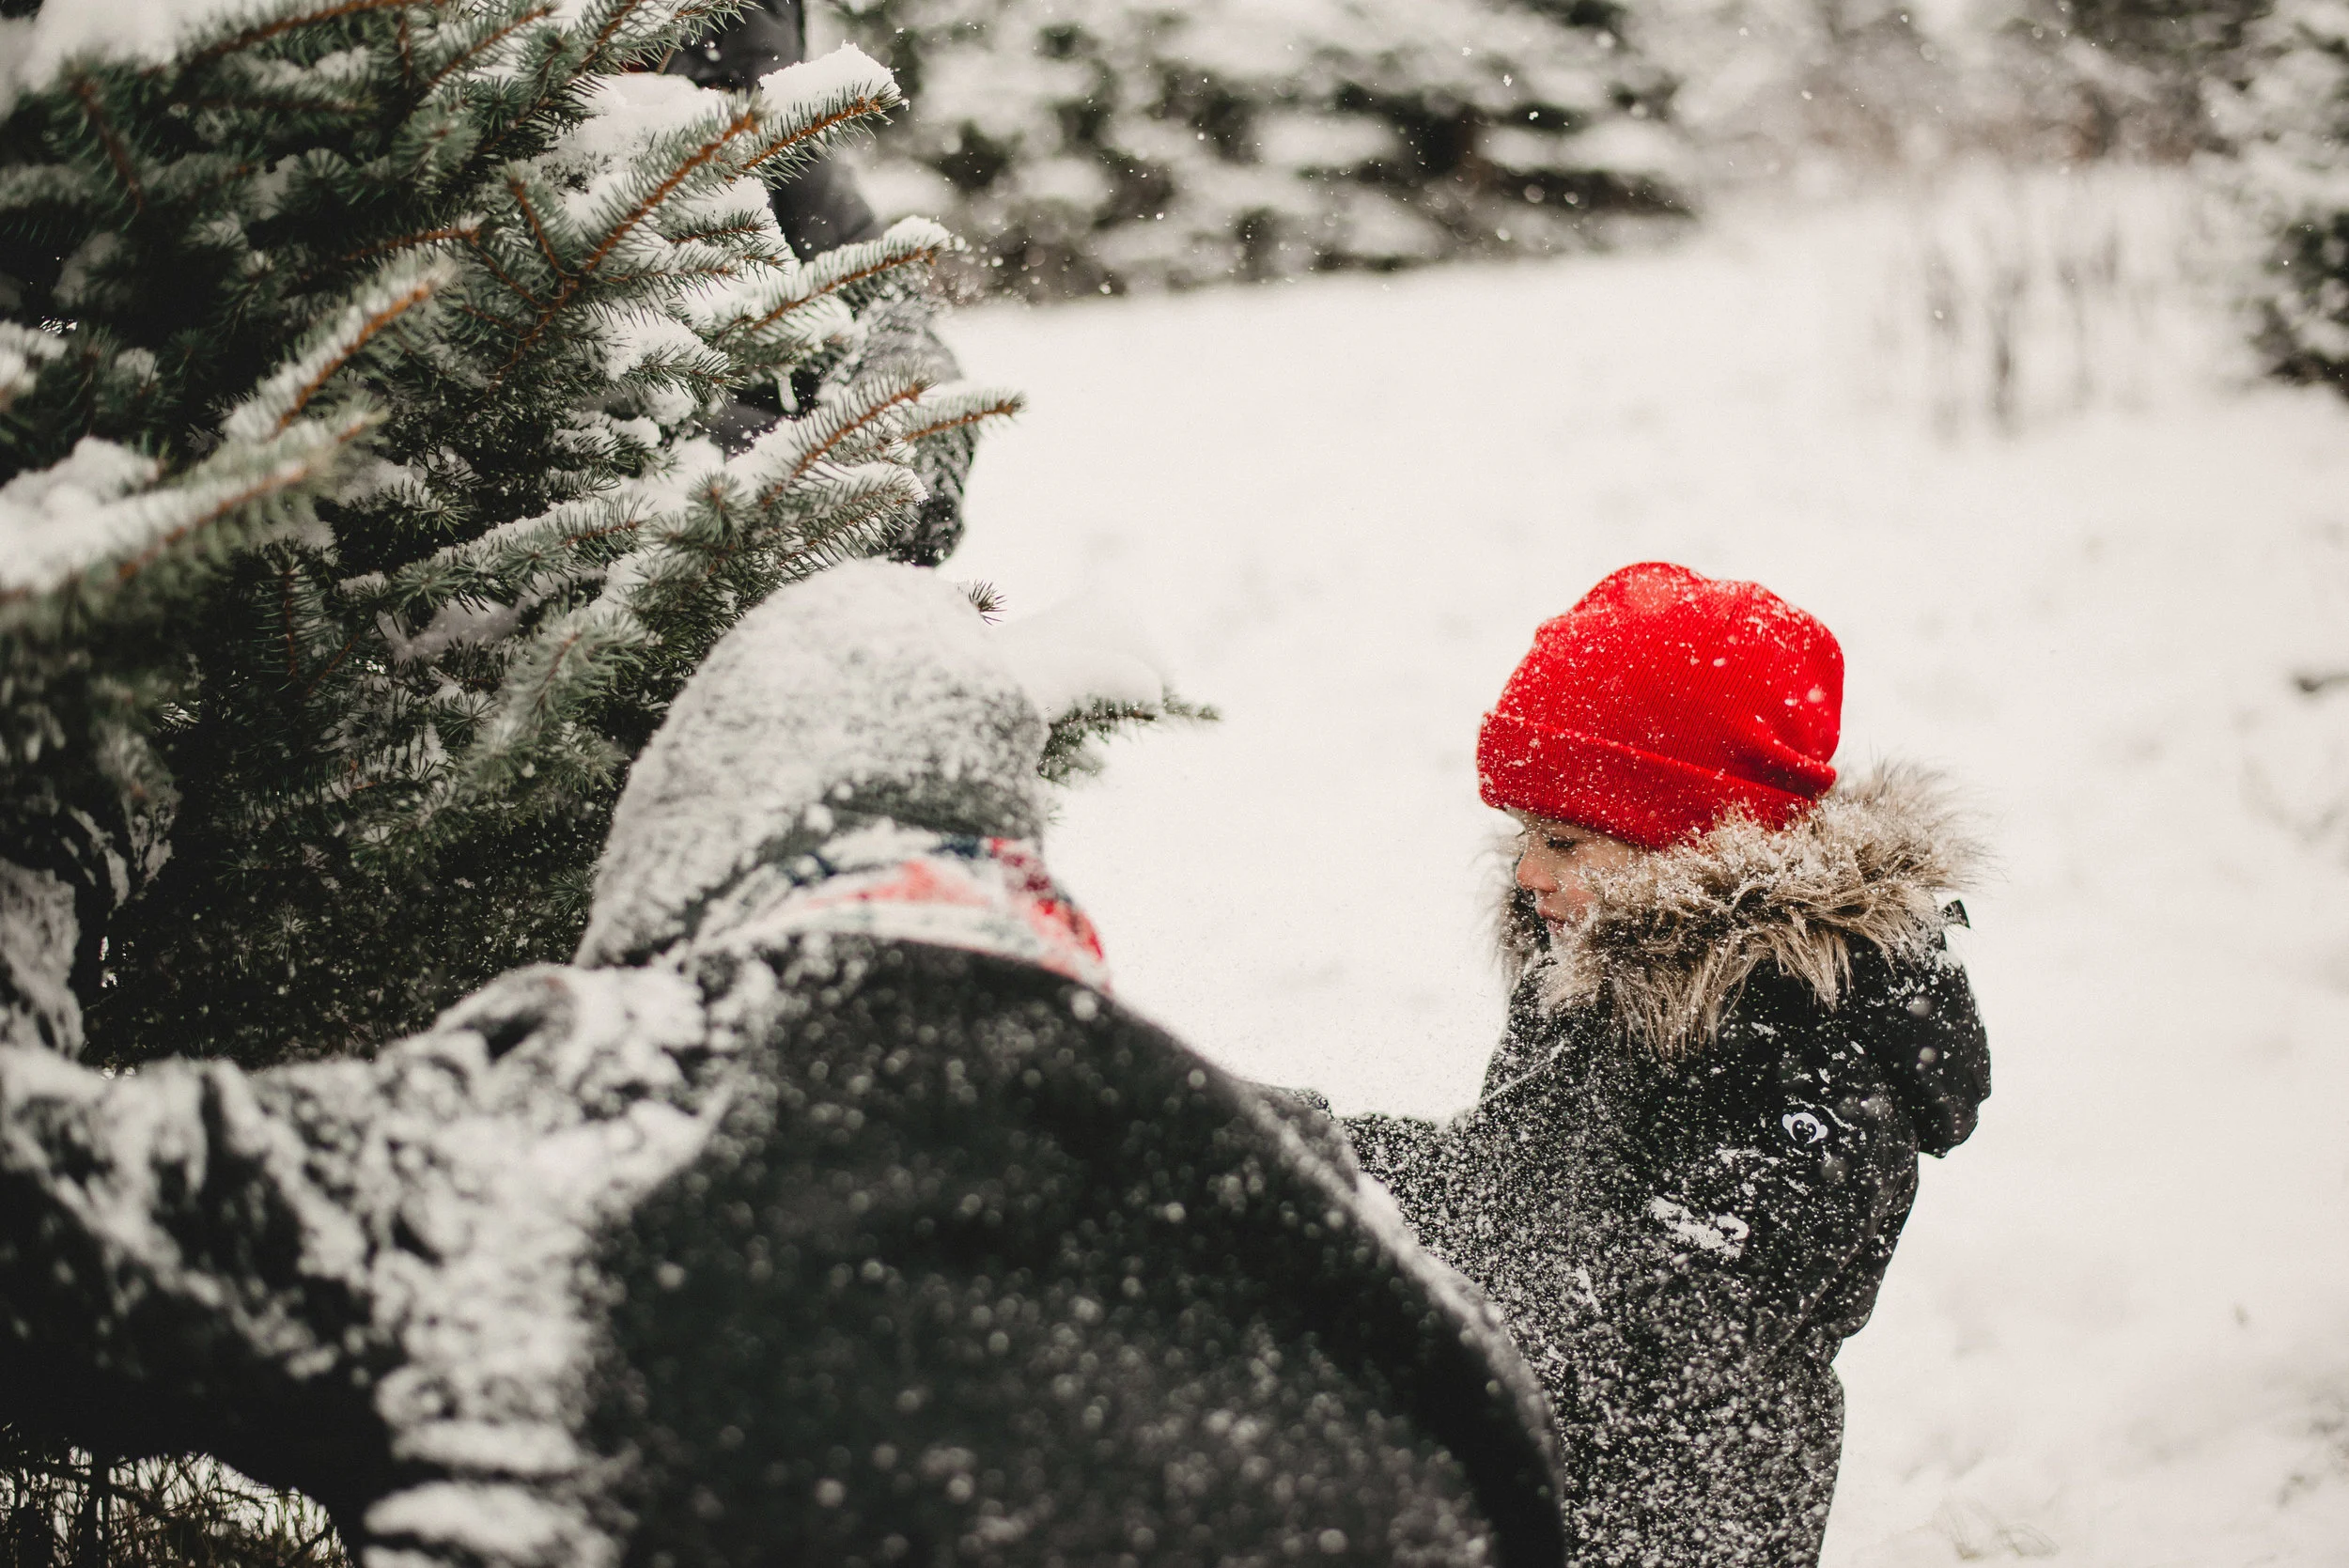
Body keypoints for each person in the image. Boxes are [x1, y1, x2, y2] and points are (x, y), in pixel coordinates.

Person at [0, 563, 1570, 1568]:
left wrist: (40, 841)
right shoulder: (1349, 1251)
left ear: (681, 858)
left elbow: (35, 1215)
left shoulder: (578, 1118)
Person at [1337, 562, 1991, 1567]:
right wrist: (1305, 1159)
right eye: (1521, 833)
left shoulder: (1818, 1059)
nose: (1525, 872)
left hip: (1672, 1532)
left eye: (1562, 838)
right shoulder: (1600, 978)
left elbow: (1653, 1330)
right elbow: (1509, 1187)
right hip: (1534, 1500)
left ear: (1688, 849)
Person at [665, 0, 972, 566]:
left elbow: (892, 309)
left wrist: (910, 436)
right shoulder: (543, 152)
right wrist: (788, 457)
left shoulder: (784, 150)